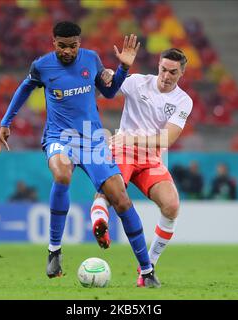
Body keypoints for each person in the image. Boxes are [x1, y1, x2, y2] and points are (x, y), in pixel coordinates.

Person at [0, 21, 160, 287]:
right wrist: (6, 121)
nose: (68, 52)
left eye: (72, 46)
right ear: (53, 43)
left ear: (79, 44)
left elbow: (109, 91)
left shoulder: (91, 60)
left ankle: (147, 270)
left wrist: (124, 68)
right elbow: (24, 88)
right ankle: (54, 251)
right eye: (62, 46)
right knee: (61, 175)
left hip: (93, 139)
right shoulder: (42, 66)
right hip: (59, 138)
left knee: (122, 200)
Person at [89, 48, 193, 287]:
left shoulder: (183, 100)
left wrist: (132, 138)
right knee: (113, 190)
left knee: (172, 205)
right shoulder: (137, 82)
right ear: (158, 66)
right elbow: (109, 87)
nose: (166, 76)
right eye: (163, 70)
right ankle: (99, 222)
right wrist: (109, 71)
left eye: (173, 72)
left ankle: (149, 266)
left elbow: (167, 139)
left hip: (151, 158)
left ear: (182, 72)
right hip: (123, 151)